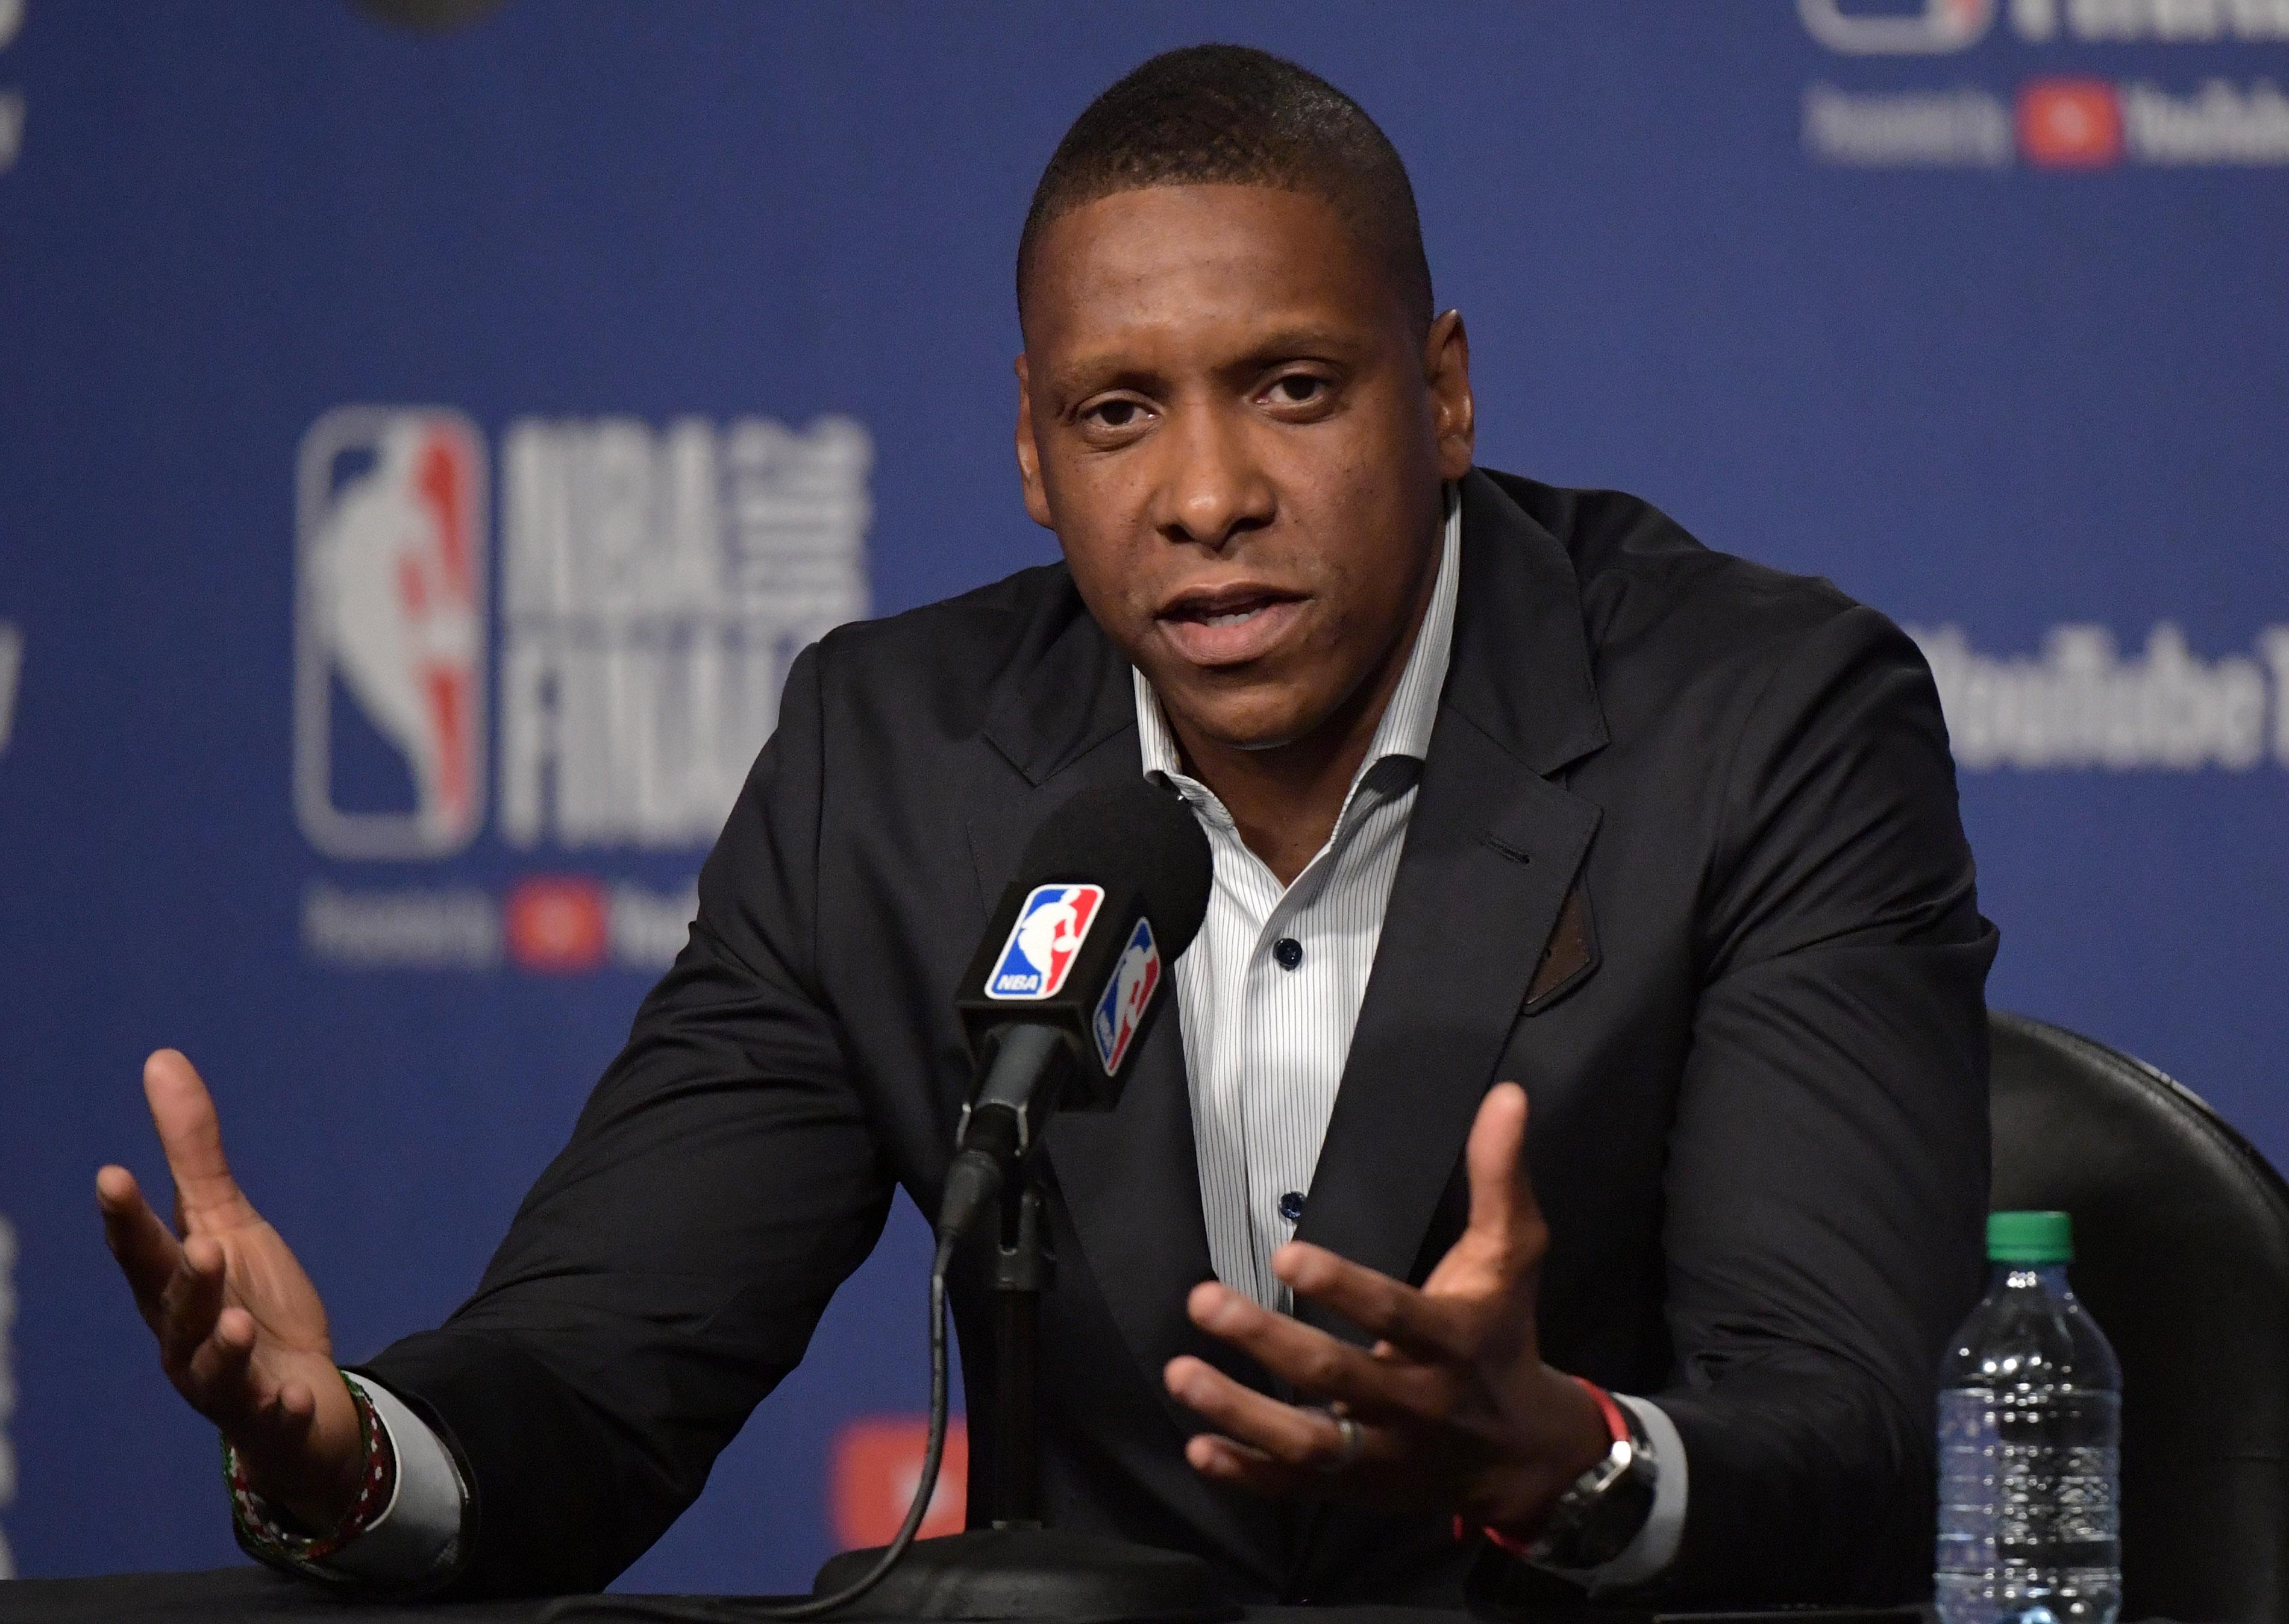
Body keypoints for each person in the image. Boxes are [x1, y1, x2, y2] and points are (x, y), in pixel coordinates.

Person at [95, 44, 1996, 1609]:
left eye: (1295, 390)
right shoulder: (893, 762)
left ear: (1445, 393)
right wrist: (349, 1455)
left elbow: (1848, 1434)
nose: (1207, 494)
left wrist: (1565, 1455)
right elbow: (602, 1372)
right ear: (1029, 449)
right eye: (1117, 415)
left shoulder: (1757, 723)